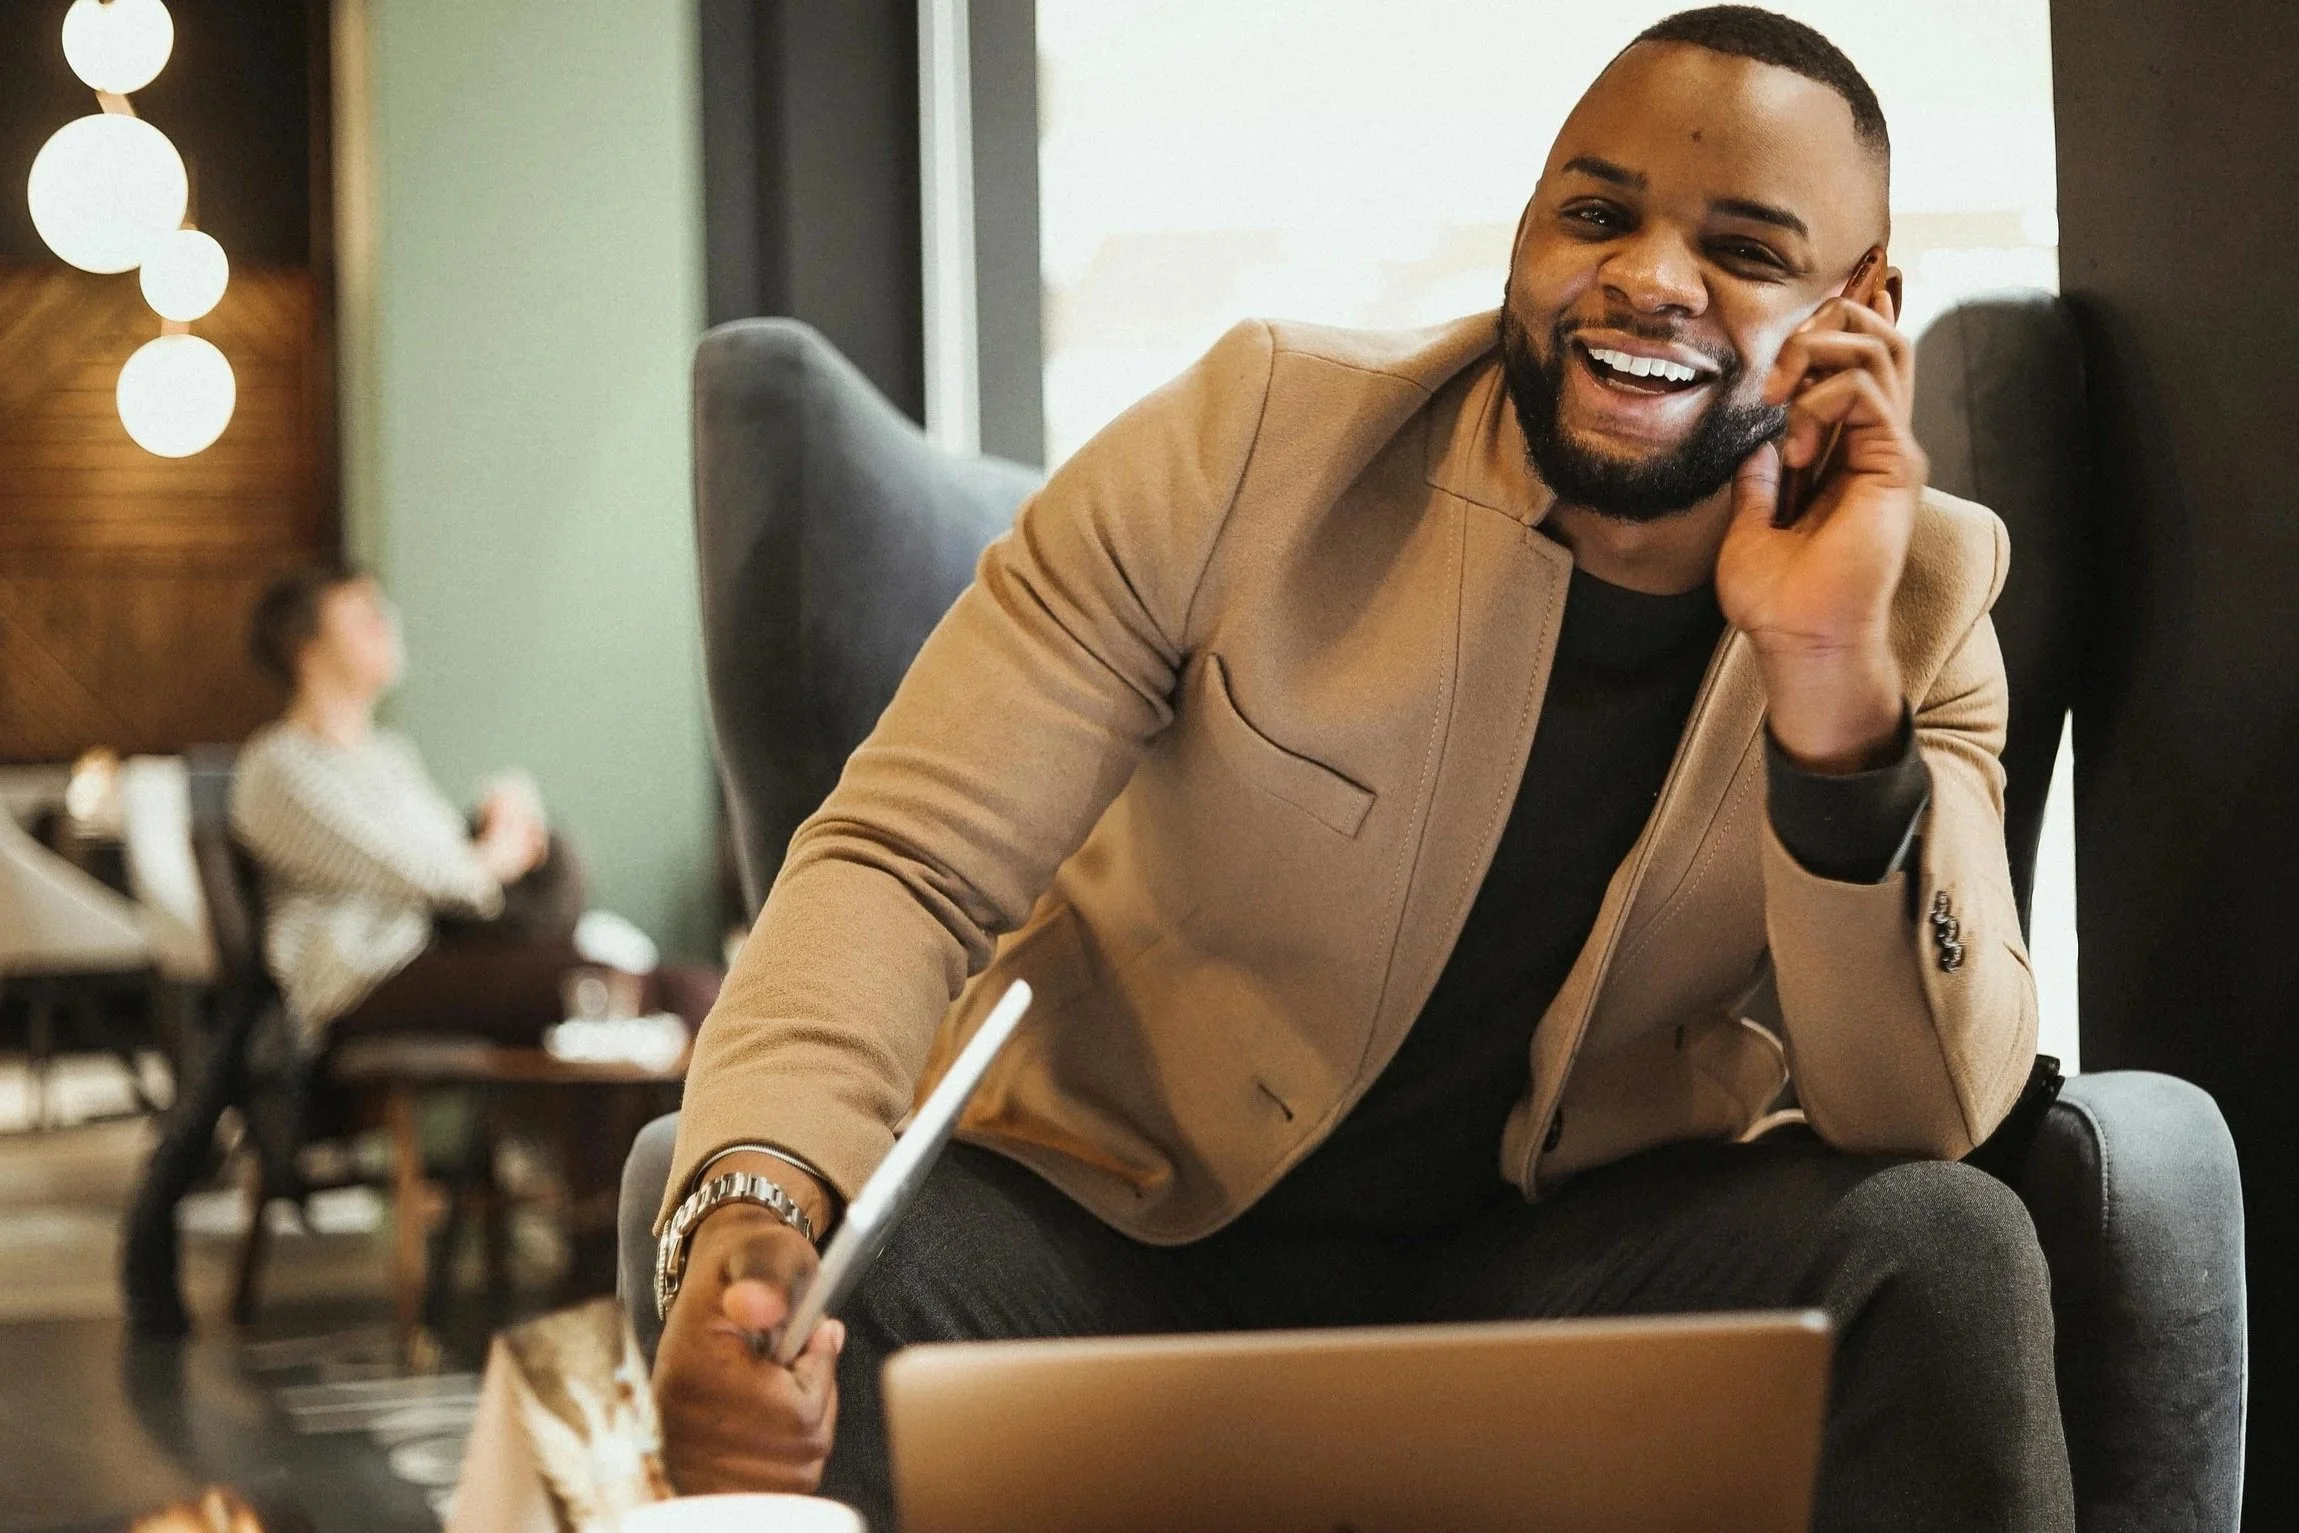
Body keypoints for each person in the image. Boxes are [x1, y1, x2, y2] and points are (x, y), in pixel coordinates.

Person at [650, 9, 2074, 1529]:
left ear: (1862, 305)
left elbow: (1921, 1113)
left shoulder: (1913, 601)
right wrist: (751, 1201)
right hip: (1109, 1242)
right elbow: (906, 860)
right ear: (1525, 235)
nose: (1650, 278)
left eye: (1743, 248)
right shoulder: (1253, 439)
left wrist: (1829, 688)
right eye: (1596, 215)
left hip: (1555, 1287)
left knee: (1940, 1242)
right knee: (827, 1278)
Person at [121, 565, 716, 1336]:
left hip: (429, 959)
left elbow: (458, 876)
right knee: (623, 987)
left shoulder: (388, 755)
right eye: (363, 615)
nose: (387, 625)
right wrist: (497, 848)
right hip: (364, 982)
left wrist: (498, 838)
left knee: (661, 992)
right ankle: (605, 1251)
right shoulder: (277, 768)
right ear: (306, 646)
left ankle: (612, 1247)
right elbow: (432, 874)